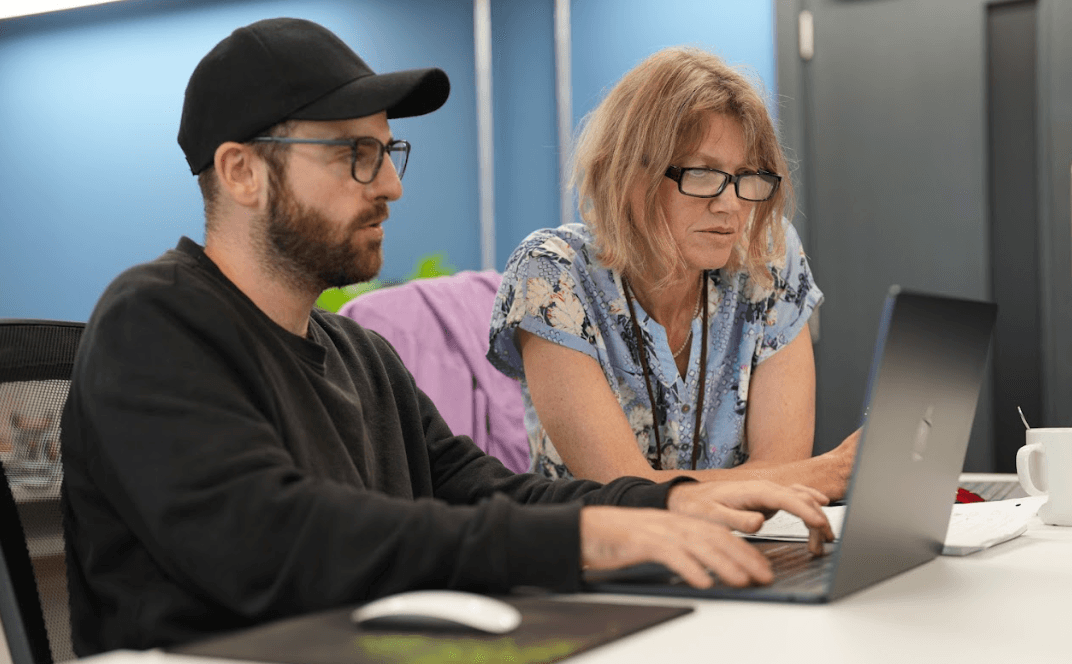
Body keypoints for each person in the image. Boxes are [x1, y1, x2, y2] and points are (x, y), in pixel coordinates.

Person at [60, 19, 833, 656]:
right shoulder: (154, 321)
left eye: (388, 152)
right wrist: (585, 540)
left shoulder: (360, 357)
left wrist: (661, 511)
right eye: (355, 154)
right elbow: (276, 541)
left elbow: (495, 492)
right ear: (240, 173)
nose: (392, 183)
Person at [488, 47, 859, 499]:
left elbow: (783, 470)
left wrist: (797, 476)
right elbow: (621, 492)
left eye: (746, 175)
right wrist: (818, 474)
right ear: (628, 175)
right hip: (598, 559)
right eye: (703, 173)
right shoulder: (551, 273)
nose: (732, 204)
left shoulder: (769, 257)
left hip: (746, 547)